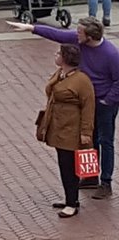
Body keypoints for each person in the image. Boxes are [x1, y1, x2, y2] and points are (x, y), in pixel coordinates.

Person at [8, 15, 119, 201]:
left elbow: (118, 81)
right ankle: (91, 175)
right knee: (89, 139)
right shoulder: (80, 41)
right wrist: (31, 28)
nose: (76, 34)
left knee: (105, 140)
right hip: (86, 101)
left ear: (89, 36)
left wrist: (107, 101)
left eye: (80, 32)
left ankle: (105, 182)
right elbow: (56, 34)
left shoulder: (111, 54)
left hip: (103, 102)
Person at [37, 43, 95, 218]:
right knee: (63, 164)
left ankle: (72, 202)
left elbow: (88, 107)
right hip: (58, 126)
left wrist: (86, 132)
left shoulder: (82, 81)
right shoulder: (61, 75)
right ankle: (70, 198)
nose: (55, 56)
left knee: (69, 165)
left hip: (71, 128)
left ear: (66, 58)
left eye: (58, 54)